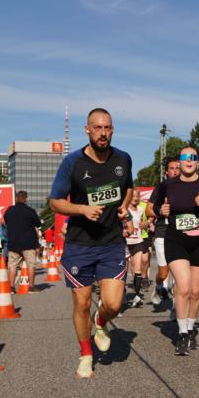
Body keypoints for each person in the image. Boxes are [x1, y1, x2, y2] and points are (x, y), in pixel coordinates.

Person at [49, 108, 134, 379]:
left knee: (113, 304)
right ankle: (86, 354)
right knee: (82, 304)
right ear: (87, 130)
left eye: (107, 128)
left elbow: (129, 187)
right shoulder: (73, 163)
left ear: (112, 130)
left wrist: (124, 207)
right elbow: (55, 201)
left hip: (111, 241)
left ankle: (101, 322)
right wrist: (82, 210)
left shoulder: (123, 159)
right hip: (79, 244)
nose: (103, 133)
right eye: (97, 128)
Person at [151, 146, 199, 355]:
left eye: (193, 157)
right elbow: (152, 207)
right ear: (180, 161)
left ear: (197, 163)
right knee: (183, 288)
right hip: (175, 241)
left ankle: (191, 327)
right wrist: (160, 210)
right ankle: (183, 333)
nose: (189, 160)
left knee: (195, 292)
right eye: (185, 157)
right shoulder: (167, 185)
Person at [149, 159, 181, 306]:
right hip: (162, 233)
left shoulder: (188, 188)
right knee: (163, 273)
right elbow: (148, 210)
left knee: (178, 273)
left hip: (181, 233)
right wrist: (161, 211)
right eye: (172, 168)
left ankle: (176, 308)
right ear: (167, 172)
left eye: (177, 168)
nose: (175, 171)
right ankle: (158, 286)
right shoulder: (161, 189)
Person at [3, 191, 42, 293]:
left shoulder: (9, 210)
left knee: (12, 265)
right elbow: (38, 224)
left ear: (16, 198)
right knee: (31, 265)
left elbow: (6, 221)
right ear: (26, 199)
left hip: (13, 243)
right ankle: (31, 287)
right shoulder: (30, 211)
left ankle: (11, 287)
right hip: (28, 243)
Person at [125, 197, 148, 307]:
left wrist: (146, 224)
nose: (134, 198)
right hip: (124, 243)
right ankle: (122, 293)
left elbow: (143, 222)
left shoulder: (141, 209)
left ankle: (137, 296)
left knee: (137, 269)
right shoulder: (123, 209)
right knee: (124, 270)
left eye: (136, 196)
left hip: (137, 241)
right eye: (132, 196)